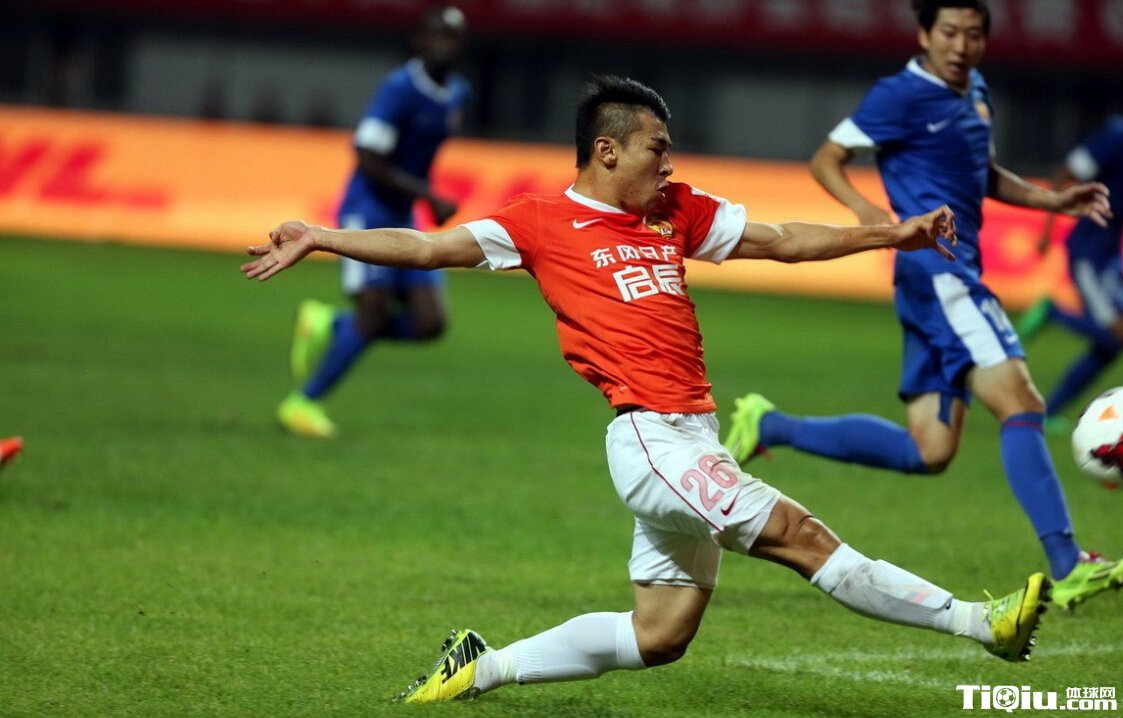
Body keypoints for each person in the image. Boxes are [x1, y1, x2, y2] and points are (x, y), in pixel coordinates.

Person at [243, 74, 1048, 705]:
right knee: (799, 535)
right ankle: (981, 624)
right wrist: (322, 237)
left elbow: (780, 239)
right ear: (606, 151)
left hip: (691, 436)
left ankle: (480, 667)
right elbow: (427, 248)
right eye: (656, 148)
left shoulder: (673, 211)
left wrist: (890, 233)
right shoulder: (538, 223)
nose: (669, 164)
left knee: (660, 636)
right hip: (649, 439)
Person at [723, 0, 1119, 611]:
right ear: (924, 34)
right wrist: (870, 215)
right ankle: (1067, 564)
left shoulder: (975, 91)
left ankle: (769, 425)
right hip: (940, 274)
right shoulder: (901, 94)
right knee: (1021, 402)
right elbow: (827, 158)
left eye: (973, 34)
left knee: (928, 451)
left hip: (940, 277)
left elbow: (983, 173)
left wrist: (1051, 201)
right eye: (950, 32)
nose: (961, 45)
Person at [277, 5, 471, 438]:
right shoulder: (399, 88)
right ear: (419, 40)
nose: (445, 45)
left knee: (429, 324)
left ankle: (329, 323)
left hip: (403, 214)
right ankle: (302, 403)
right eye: (438, 35)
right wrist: (427, 194)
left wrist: (419, 197)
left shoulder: (457, 93)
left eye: (454, 38)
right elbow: (368, 157)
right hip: (367, 210)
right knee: (373, 314)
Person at [1017, 116, 1123, 433]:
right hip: (1088, 253)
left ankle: (1049, 413)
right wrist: (1046, 230)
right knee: (1114, 335)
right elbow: (1066, 172)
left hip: (1108, 256)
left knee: (1109, 346)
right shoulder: (1115, 138)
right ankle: (1053, 312)